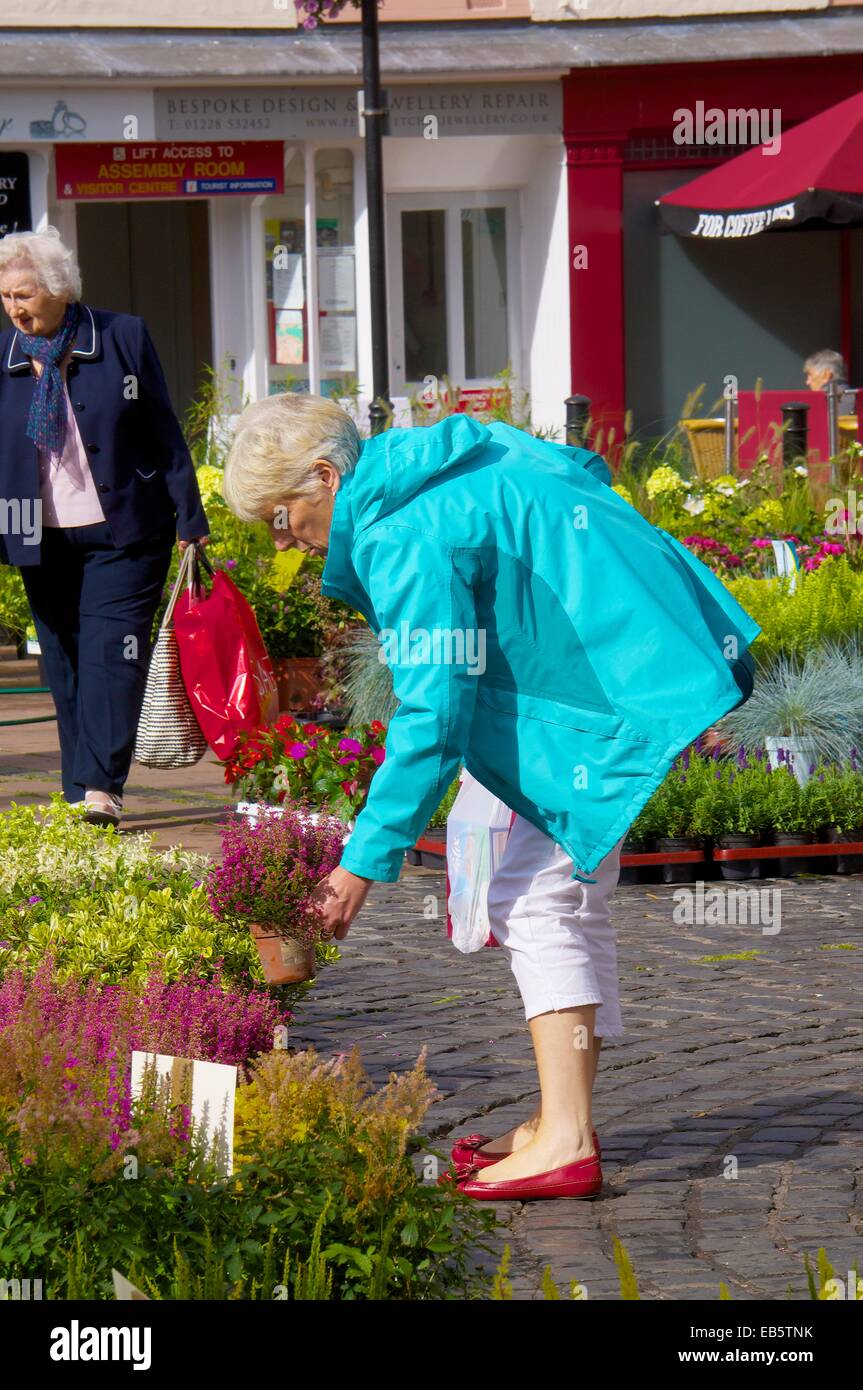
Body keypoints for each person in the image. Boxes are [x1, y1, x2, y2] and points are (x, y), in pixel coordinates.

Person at [222, 394, 759, 1202]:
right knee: (552, 895)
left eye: (281, 513)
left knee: (537, 900)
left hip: (601, 686)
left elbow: (432, 714)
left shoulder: (398, 530)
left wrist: (361, 864)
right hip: (617, 661)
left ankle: (567, 1141)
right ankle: (557, 1120)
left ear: (326, 476)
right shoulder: (426, 467)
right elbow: (576, 471)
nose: (282, 536)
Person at [0, 227, 209, 827]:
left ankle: (100, 788)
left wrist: (189, 516)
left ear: (59, 288)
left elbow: (163, 428)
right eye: (7, 296)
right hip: (38, 532)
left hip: (125, 529)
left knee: (110, 655)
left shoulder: (120, 337)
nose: (15, 308)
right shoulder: (7, 357)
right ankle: (76, 788)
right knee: (62, 659)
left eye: (26, 295)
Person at [803, 349, 857, 414]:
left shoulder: (820, 402)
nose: (807, 382)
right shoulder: (857, 397)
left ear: (826, 375)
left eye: (810, 375)